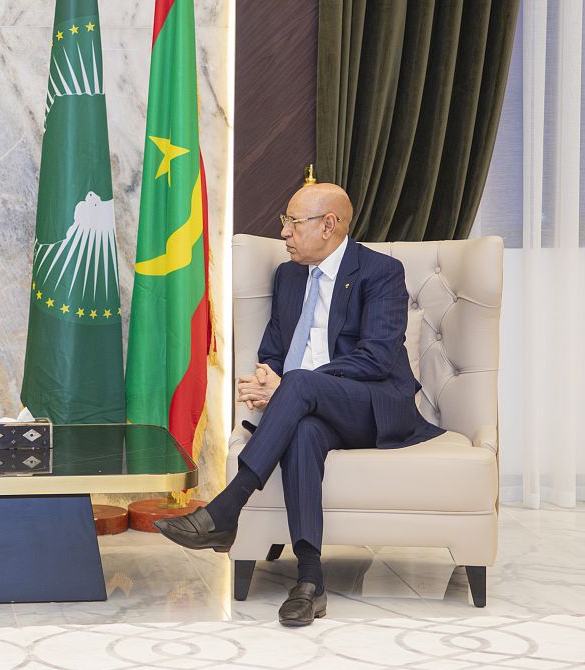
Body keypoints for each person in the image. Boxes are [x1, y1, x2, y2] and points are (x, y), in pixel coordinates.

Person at [154, 183, 443, 627]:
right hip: (312, 410)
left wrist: (292, 386)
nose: (285, 233)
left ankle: (227, 509)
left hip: (372, 406)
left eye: (293, 222)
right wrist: (269, 375)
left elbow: (376, 358)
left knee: (301, 387)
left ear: (329, 225)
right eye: (284, 223)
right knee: (303, 433)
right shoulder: (288, 275)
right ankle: (310, 582)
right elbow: (273, 347)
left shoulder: (380, 271)